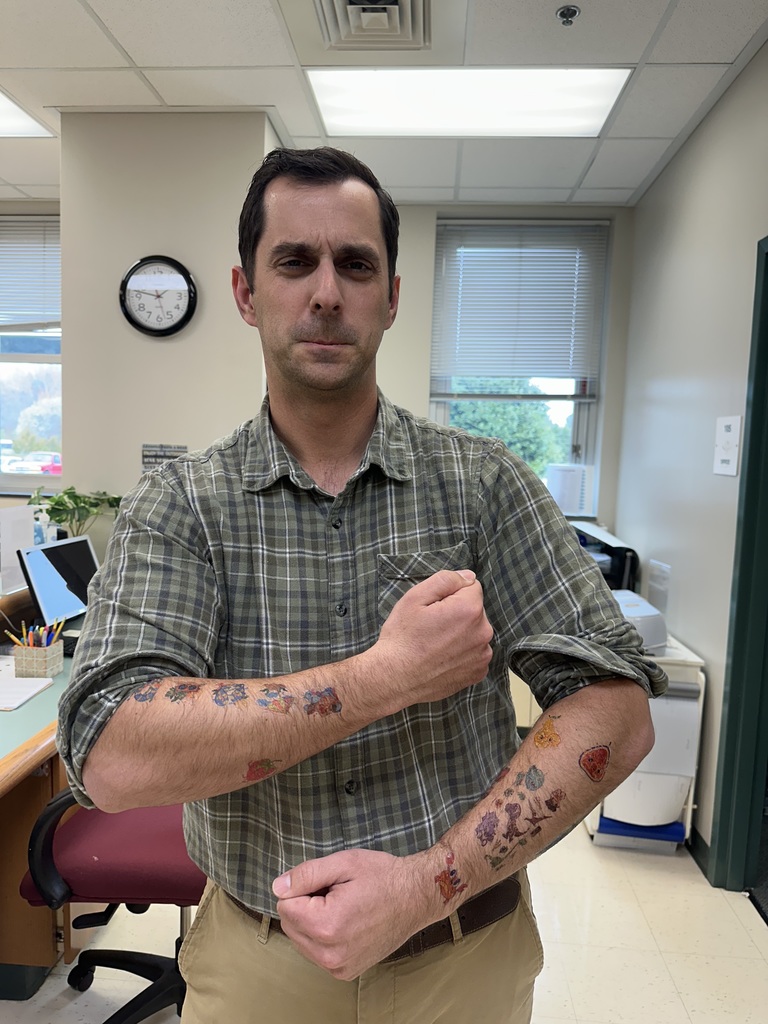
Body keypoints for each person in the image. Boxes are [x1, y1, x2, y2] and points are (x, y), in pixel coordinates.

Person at [57, 146, 667, 1024]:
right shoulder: (180, 504)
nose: (326, 293)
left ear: (391, 295)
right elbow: (110, 754)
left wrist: (425, 886)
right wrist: (386, 676)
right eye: (294, 262)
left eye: (356, 264)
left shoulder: (486, 484)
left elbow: (617, 709)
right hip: (256, 965)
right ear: (244, 291)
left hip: (465, 957)